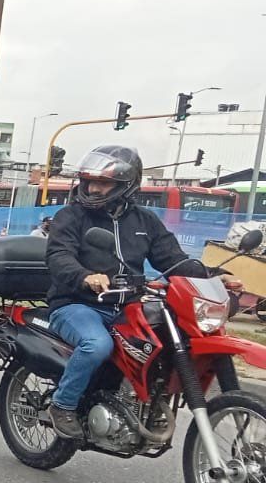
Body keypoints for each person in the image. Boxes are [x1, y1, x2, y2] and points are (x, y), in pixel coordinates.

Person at [42, 145, 236, 438]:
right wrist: (85, 276)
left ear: (127, 185)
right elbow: (59, 256)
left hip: (127, 306)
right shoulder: (72, 217)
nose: (93, 189)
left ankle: (143, 403)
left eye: (103, 183)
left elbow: (174, 261)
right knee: (97, 345)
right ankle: (62, 405)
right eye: (89, 181)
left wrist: (216, 277)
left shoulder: (145, 221)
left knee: (164, 344)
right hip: (76, 304)